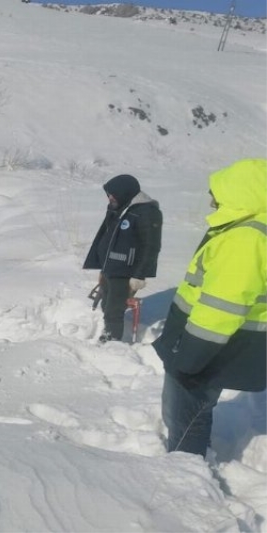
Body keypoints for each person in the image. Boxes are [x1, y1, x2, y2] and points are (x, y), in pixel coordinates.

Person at [153, 159, 266, 456]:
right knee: (191, 412)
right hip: (214, 344)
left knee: (186, 418)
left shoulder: (246, 238)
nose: (211, 198)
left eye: (217, 192)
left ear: (242, 192)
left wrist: (189, 359)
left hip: (205, 347)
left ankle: (185, 474)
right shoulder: (247, 230)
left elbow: (222, 307)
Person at [83, 174, 163, 342]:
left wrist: (139, 275)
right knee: (106, 304)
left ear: (125, 192)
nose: (110, 197)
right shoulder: (120, 207)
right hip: (110, 268)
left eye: (113, 194)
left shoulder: (148, 213)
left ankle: (111, 340)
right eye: (108, 194)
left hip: (126, 272)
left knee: (114, 309)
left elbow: (151, 247)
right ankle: (109, 328)